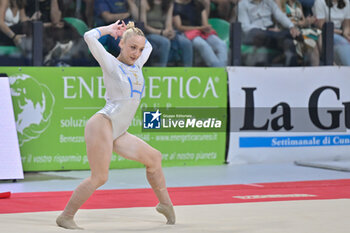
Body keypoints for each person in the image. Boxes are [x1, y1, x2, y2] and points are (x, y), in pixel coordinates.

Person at [56, 20, 176, 229]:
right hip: (103, 123)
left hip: (119, 131)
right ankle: (66, 216)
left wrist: (133, 28)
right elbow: (88, 37)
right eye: (132, 47)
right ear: (121, 43)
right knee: (100, 177)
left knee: (154, 158)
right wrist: (109, 30)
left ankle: (165, 204)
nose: (137, 53)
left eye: (139, 49)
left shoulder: (138, 64)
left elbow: (148, 45)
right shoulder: (111, 64)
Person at [238, 0, 302, 66]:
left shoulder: (269, 2)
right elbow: (245, 27)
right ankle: (288, 34)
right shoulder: (243, 4)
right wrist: (266, 30)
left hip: (271, 34)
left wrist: (291, 27)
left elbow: (280, 15)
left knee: (289, 42)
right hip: (255, 33)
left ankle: (293, 72)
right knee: (258, 33)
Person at [173, 0, 228, 67]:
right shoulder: (175, 6)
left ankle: (221, 69)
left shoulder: (198, 4)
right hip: (186, 33)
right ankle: (218, 69)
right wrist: (199, 28)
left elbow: (205, 24)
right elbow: (179, 27)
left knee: (221, 44)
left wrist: (207, 28)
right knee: (203, 45)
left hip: (201, 32)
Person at [141, 0, 193, 66]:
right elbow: (144, 25)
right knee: (165, 42)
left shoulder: (169, 3)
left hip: (164, 32)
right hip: (149, 33)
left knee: (186, 43)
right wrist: (161, 32)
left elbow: (168, 24)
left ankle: (188, 71)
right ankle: (161, 71)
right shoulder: (145, 2)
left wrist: (170, 32)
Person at [280, 0, 321, 65]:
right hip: (288, 31)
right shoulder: (282, 3)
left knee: (315, 41)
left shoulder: (298, 4)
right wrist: (301, 23)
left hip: (300, 30)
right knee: (315, 37)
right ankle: (327, 60)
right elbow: (283, 20)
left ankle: (317, 69)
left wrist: (308, 21)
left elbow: (303, 21)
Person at [313, 0, 350, 66]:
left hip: (340, 33)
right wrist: (340, 32)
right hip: (325, 32)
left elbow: (346, 25)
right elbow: (322, 25)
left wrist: (346, 34)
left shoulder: (346, 2)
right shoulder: (320, 2)